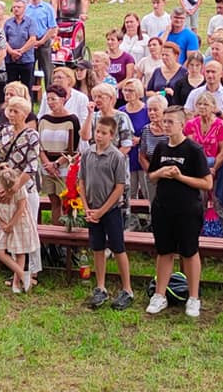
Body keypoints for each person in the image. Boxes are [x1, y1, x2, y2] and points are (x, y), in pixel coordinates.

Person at [145, 105, 212, 317]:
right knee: (164, 251)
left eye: (170, 122)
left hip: (187, 209)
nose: (166, 125)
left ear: (182, 124)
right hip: (163, 207)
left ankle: (193, 297)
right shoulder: (161, 147)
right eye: (164, 121)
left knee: (189, 252)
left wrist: (180, 177)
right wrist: (161, 173)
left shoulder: (193, 149)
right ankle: (160, 294)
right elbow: (151, 176)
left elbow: (207, 183)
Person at [79, 115, 134, 310]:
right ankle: (100, 287)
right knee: (97, 247)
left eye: (104, 133)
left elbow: (119, 187)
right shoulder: (88, 154)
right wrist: (86, 207)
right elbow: (82, 181)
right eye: (97, 132)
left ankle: (127, 289)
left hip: (110, 210)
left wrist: (101, 211)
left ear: (112, 135)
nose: (99, 136)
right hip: (92, 209)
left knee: (118, 248)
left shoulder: (116, 157)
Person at [0, 94, 42, 278]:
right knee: (11, 229)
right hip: (5, 183)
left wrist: (15, 188)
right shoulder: (5, 132)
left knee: (28, 229)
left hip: (25, 187)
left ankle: (32, 271)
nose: (11, 114)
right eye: (9, 110)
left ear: (25, 114)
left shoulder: (32, 135)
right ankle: (18, 273)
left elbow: (32, 166)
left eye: (15, 111)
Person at [183, 92, 223, 235]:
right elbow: (190, 148)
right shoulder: (191, 124)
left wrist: (213, 168)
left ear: (213, 107)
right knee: (198, 204)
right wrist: (202, 168)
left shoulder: (221, 125)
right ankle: (198, 236)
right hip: (197, 169)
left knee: (219, 204)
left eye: (206, 104)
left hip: (218, 168)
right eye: (199, 104)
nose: (202, 107)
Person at [0, 166, 38, 293]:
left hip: (19, 221)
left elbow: (22, 207)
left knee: (19, 252)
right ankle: (23, 275)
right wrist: (1, 223)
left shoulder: (19, 188)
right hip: (3, 221)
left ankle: (16, 284)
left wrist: (11, 224)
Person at [37, 85, 80, 221]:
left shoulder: (72, 120)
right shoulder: (44, 119)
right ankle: (54, 229)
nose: (50, 102)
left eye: (53, 99)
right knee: (54, 201)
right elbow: (39, 144)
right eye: (48, 99)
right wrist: (47, 164)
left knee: (65, 202)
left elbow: (73, 147)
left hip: (64, 167)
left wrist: (56, 164)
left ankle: (66, 229)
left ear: (62, 99)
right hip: (46, 166)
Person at [3, 0, 37, 87]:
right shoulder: (8, 23)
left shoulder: (30, 22)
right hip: (11, 60)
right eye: (14, 7)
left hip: (26, 60)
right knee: (11, 86)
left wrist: (20, 51)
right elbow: (3, 40)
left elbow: (32, 39)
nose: (16, 9)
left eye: (18, 7)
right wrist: (11, 52)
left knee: (27, 86)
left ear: (24, 9)